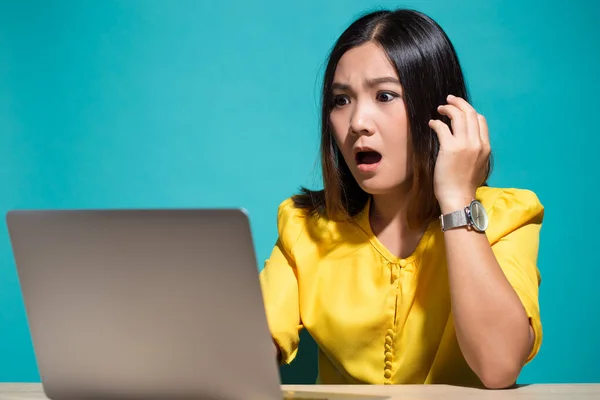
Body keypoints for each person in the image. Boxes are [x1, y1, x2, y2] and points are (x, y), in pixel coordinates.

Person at [258, 8, 543, 389]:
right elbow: (245, 349)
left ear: (441, 111)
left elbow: (499, 366)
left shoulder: (507, 216)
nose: (358, 121)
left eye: (385, 95)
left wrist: (457, 199)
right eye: (341, 100)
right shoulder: (304, 228)